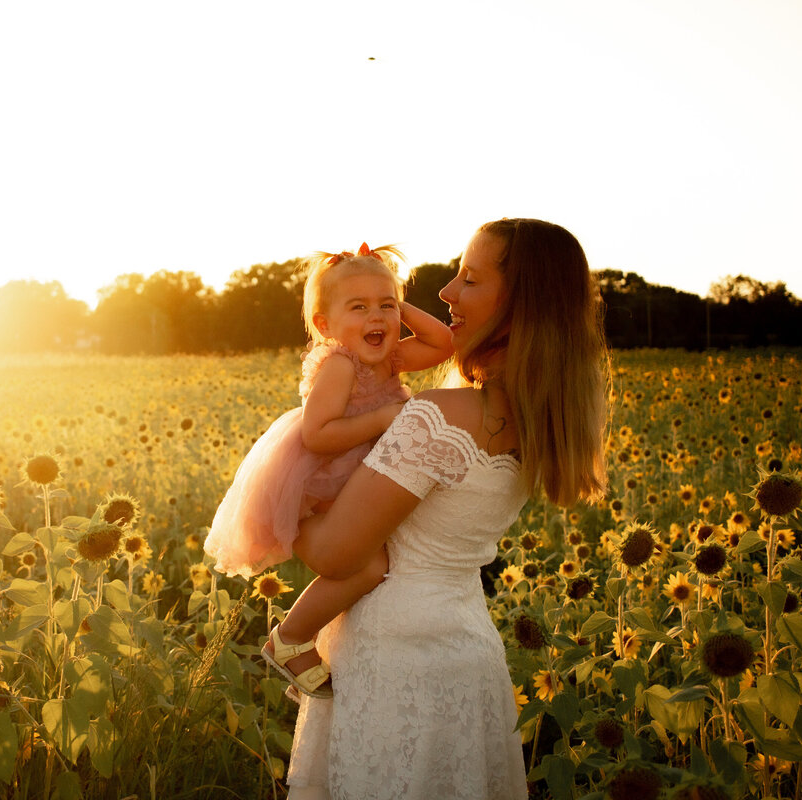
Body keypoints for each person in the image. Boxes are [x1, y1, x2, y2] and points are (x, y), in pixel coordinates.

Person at [284, 219, 609, 800]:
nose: (446, 293)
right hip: (469, 654)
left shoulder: (437, 417)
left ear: (517, 304)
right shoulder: (542, 418)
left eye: (469, 278)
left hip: (394, 659)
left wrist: (281, 513)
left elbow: (336, 553)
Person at [203, 243, 454, 697]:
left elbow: (443, 343)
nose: (375, 318)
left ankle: (330, 640)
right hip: (323, 486)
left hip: (364, 483)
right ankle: (290, 638)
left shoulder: (391, 355)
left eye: (385, 306)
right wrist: (379, 420)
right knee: (369, 565)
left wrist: (397, 306)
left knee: (384, 557)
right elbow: (316, 436)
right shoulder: (340, 365)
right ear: (324, 326)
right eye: (358, 307)